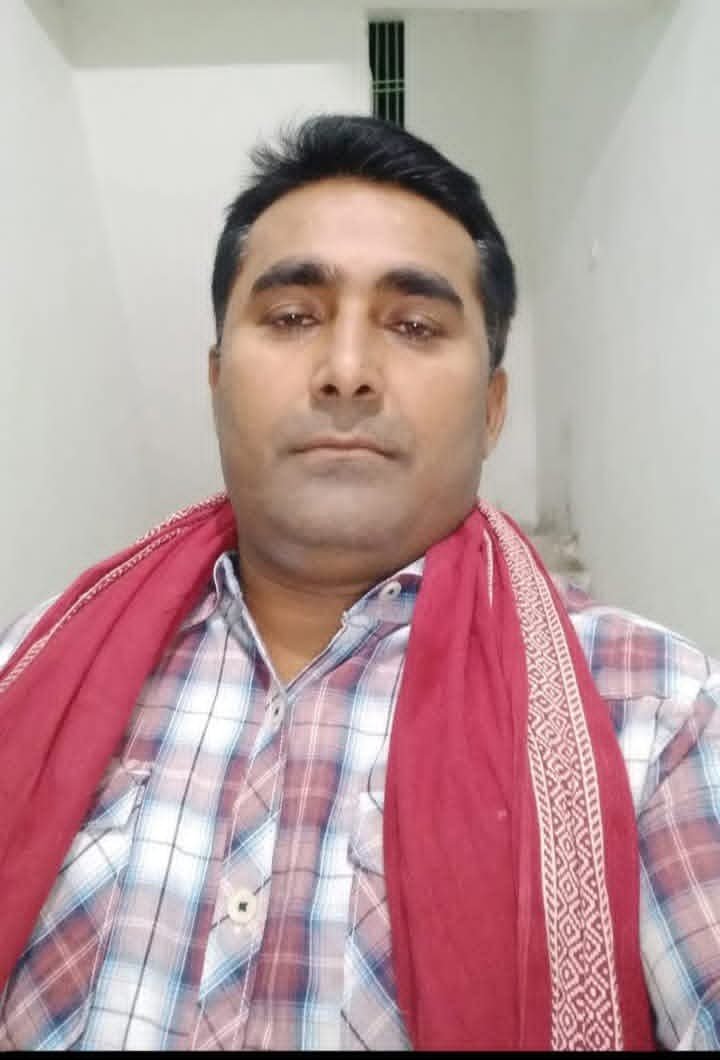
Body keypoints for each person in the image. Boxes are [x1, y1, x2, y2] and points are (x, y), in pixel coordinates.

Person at [0, 114, 717, 1053]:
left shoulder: (656, 715)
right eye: (292, 318)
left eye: (414, 326)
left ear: (493, 408)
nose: (346, 373)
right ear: (216, 381)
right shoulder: (31, 672)